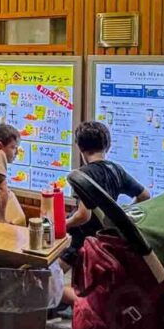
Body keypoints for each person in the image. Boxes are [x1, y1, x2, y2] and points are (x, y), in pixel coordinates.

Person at [60, 121, 150, 304]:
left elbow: (83, 216)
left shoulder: (81, 174)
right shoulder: (116, 169)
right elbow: (145, 196)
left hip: (81, 241)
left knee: (47, 279)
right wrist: (121, 216)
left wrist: (62, 224)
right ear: (107, 145)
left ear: (79, 147)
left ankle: (82, 304)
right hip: (106, 238)